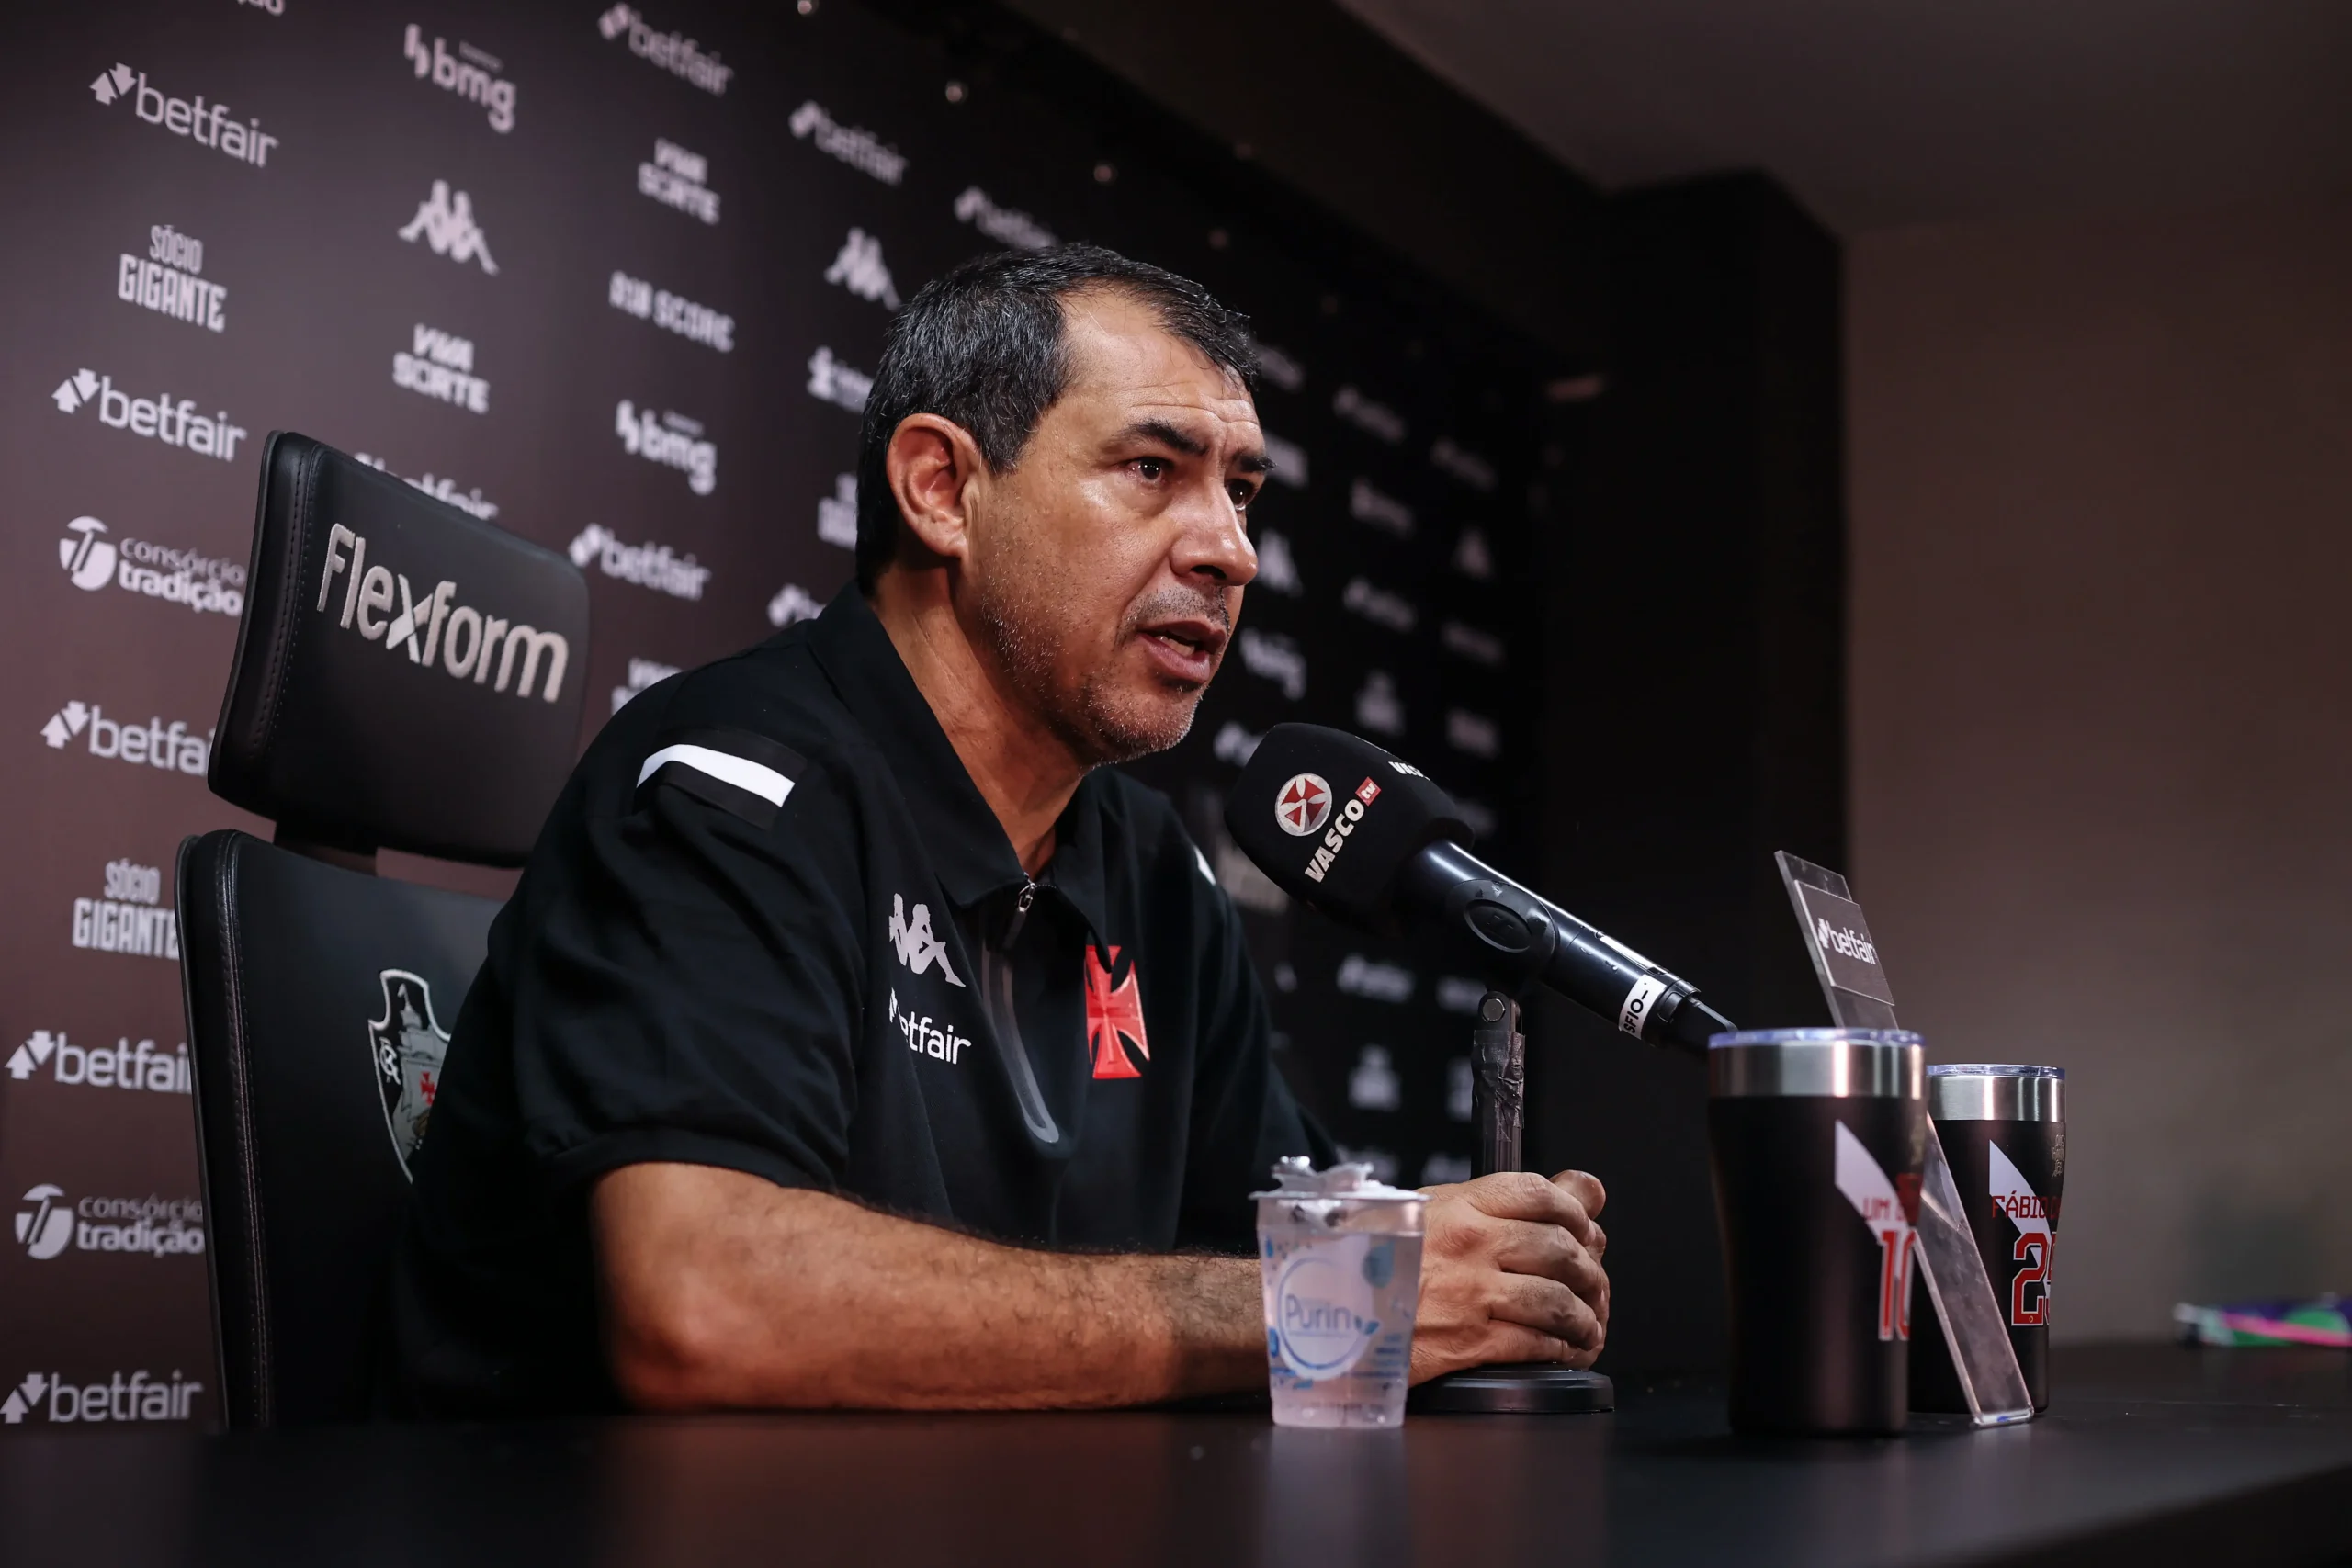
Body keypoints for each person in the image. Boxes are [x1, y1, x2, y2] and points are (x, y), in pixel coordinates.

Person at [382, 244, 1610, 1415]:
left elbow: (1262, 1244)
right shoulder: (732, 789)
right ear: (942, 489)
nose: (1231, 552)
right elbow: (708, 1303)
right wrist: (1334, 1295)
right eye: (1153, 469)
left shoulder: (1153, 870)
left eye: (1240, 493)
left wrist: (1461, 1277)